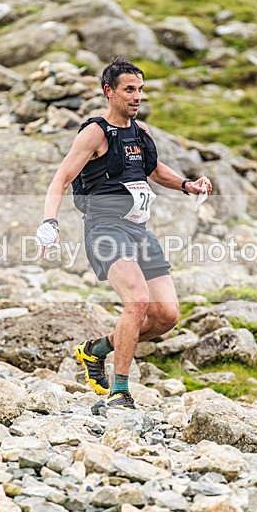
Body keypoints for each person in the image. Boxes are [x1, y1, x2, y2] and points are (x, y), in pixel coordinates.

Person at [36, 58, 212, 410]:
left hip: (138, 230)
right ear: (109, 92)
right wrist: (49, 222)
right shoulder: (95, 133)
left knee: (167, 316)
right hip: (105, 229)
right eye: (129, 89)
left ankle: (96, 351)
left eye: (140, 90)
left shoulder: (141, 132)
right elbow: (61, 178)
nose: (137, 97)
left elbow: (155, 170)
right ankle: (120, 390)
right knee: (137, 301)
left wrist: (187, 185)